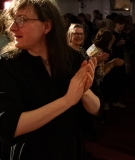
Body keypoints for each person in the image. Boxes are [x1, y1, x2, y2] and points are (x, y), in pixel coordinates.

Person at [0, 0, 104, 159]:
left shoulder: (72, 58)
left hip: (70, 150)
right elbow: (9, 127)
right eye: (12, 20)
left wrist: (83, 91)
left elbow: (98, 109)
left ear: (47, 26)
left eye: (21, 20)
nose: (12, 27)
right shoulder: (7, 64)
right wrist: (67, 100)